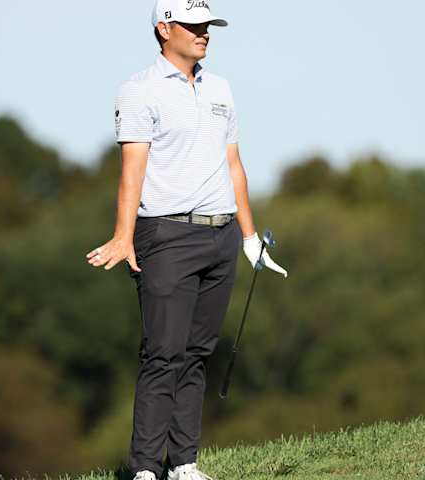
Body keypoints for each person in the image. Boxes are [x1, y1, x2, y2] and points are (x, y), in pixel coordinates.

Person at [85, 1, 287, 479]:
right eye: (194, 26)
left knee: (196, 355)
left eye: (208, 26)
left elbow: (233, 165)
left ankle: (184, 465)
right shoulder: (139, 90)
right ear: (164, 29)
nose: (204, 34)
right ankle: (145, 469)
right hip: (167, 235)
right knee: (163, 354)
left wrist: (250, 237)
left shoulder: (221, 89)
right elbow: (131, 172)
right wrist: (123, 235)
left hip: (220, 238)